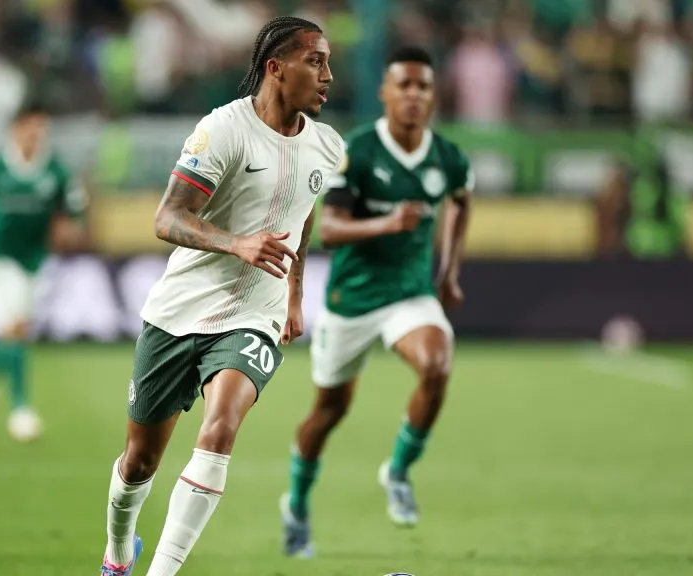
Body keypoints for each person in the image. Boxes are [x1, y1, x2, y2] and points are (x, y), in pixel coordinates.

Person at [99, 16, 344, 576]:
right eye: (316, 61)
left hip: (255, 315)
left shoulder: (327, 147)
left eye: (329, 62)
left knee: (221, 428)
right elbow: (168, 218)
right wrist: (237, 243)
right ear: (275, 68)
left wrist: (295, 296)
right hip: (179, 312)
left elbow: (302, 221)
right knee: (139, 462)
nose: (328, 75)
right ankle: (118, 552)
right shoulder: (223, 130)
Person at [280, 46, 474, 557]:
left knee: (437, 363)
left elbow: (461, 201)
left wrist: (449, 271)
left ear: (433, 97)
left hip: (409, 295)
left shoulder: (448, 158)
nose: (413, 95)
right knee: (328, 412)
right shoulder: (359, 152)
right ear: (385, 93)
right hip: (352, 300)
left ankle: (399, 471)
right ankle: (297, 503)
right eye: (403, 85)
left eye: (423, 87)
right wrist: (389, 222)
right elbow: (331, 230)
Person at [0, 101, 88, 442]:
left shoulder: (55, 171)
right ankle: (20, 408)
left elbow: (71, 213)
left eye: (41, 128)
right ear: (16, 130)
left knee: (17, 329)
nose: (35, 135)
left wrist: (67, 233)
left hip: (35, 260)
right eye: (30, 127)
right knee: (15, 331)